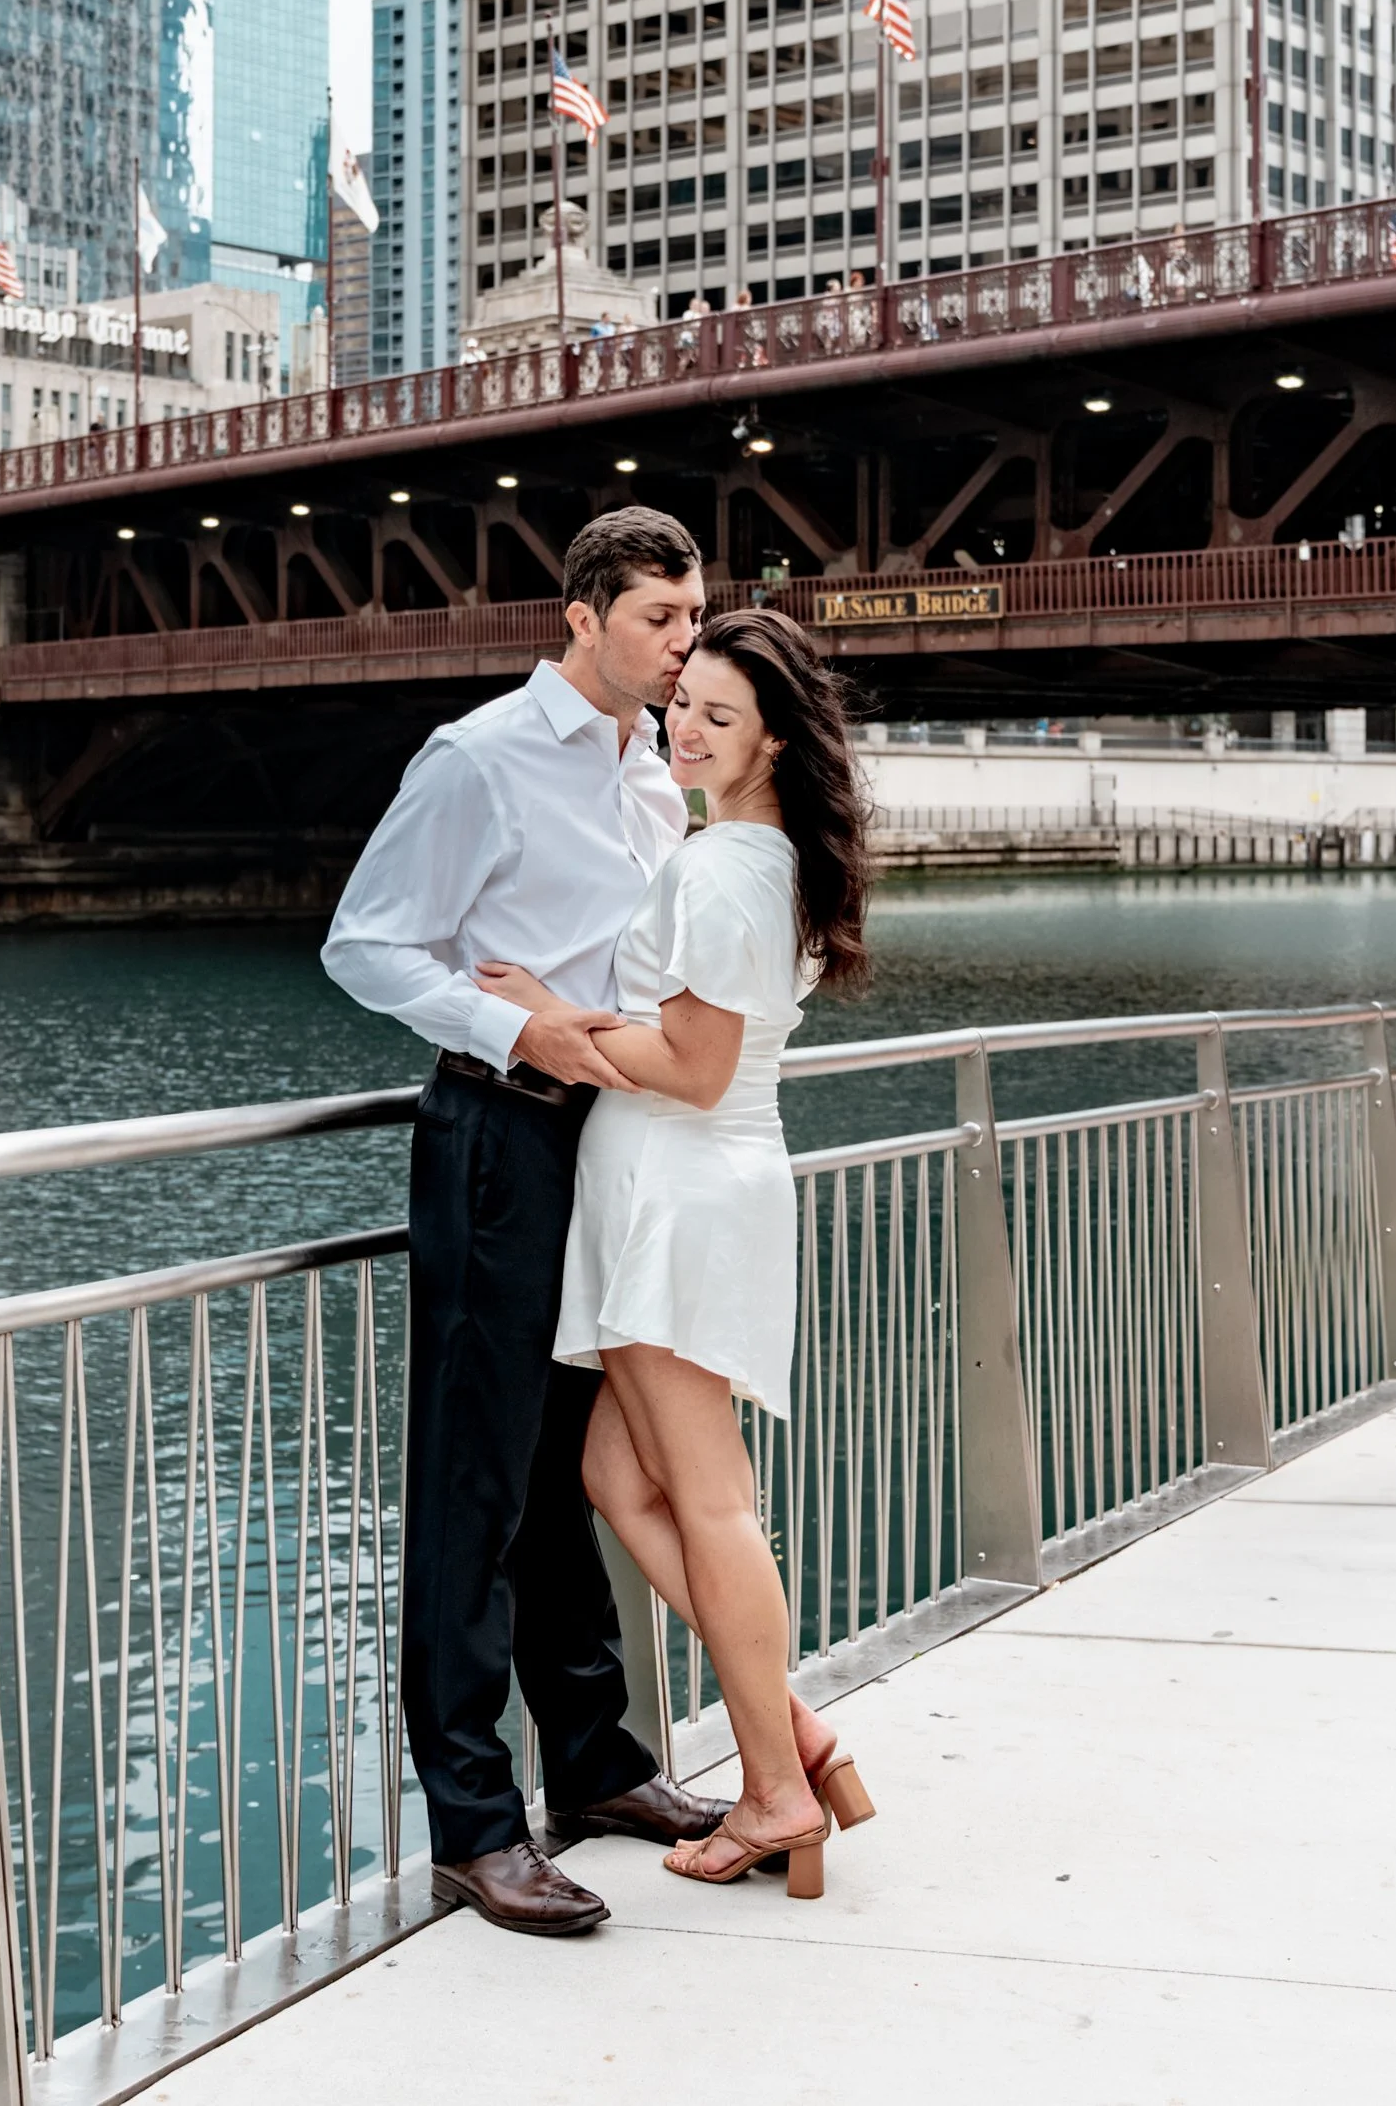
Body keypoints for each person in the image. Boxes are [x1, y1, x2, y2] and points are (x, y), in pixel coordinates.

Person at [322, 508, 728, 1937]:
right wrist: (515, 1030)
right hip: (500, 1136)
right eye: (659, 622)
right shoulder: (480, 759)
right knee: (477, 1483)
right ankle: (475, 1829)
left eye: (692, 621)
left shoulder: (653, 779)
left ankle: (600, 1764)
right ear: (581, 615)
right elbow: (365, 947)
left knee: (569, 1468)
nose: (683, 647)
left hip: (614, 1141)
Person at [477, 608, 876, 1900]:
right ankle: (801, 1739)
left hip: (676, 1187)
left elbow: (694, 1069)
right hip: (698, 1188)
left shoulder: (724, 871)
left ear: (773, 737)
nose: (686, 727)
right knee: (619, 1475)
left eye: (719, 713)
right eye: (681, 703)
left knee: (706, 1498)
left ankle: (774, 1794)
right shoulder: (763, 860)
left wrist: (539, 1009)